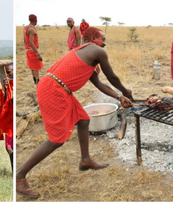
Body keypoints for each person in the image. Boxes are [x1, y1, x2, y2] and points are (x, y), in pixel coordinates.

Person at [16, 27, 133, 198]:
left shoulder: (86, 53)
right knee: (57, 139)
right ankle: (19, 176)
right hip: (53, 89)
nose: (105, 43)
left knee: (83, 120)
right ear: (93, 38)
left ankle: (85, 160)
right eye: (103, 38)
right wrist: (126, 90)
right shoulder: (97, 50)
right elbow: (112, 77)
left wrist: (119, 96)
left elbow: (100, 84)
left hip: (60, 89)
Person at [0, 63, 14, 171]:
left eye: (9, 72)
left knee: (12, 147)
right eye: (6, 73)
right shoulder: (8, 84)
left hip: (14, 119)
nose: (7, 75)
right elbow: (6, 101)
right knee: (8, 147)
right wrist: (5, 89)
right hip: (8, 119)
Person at [24, 14, 43, 85]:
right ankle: (38, 83)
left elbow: (25, 40)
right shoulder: (31, 29)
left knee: (32, 67)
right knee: (35, 68)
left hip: (28, 50)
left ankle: (35, 82)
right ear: (36, 20)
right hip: (33, 51)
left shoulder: (25, 28)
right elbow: (31, 42)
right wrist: (37, 53)